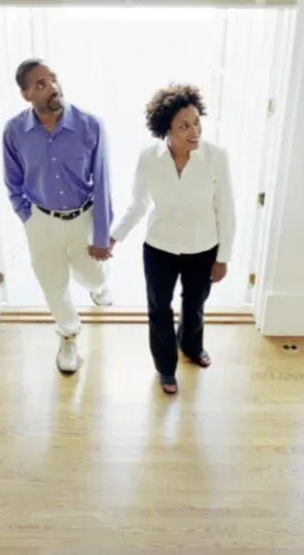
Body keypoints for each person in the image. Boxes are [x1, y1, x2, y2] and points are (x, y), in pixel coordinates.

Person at [110, 84, 235, 394]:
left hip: (202, 247)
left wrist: (223, 257)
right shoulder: (149, 158)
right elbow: (138, 204)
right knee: (158, 309)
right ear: (166, 129)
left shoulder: (216, 157)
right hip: (159, 248)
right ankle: (166, 368)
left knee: (194, 306)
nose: (194, 131)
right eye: (184, 126)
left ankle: (191, 347)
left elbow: (227, 210)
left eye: (196, 122)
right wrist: (114, 237)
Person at [2, 58, 114, 375]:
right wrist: (28, 217)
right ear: (26, 95)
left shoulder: (91, 126)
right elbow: (12, 181)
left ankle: (96, 285)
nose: (52, 86)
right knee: (53, 284)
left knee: (94, 274)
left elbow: (103, 183)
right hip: (41, 221)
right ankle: (68, 334)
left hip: (83, 218)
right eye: (40, 84)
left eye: (52, 79)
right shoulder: (14, 132)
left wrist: (103, 237)